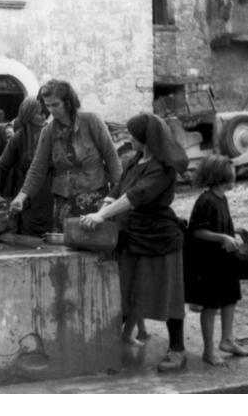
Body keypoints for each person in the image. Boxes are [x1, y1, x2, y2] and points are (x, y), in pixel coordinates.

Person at [80, 113, 189, 372]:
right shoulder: (135, 160)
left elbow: (135, 196)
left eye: (133, 135)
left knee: (169, 295)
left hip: (159, 238)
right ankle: (107, 346)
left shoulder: (163, 167)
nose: (129, 139)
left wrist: (101, 216)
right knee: (128, 292)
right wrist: (104, 204)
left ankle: (177, 350)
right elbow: (119, 190)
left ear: (146, 138)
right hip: (132, 234)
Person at [10, 80, 121, 232]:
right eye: (47, 105)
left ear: (68, 102)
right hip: (64, 201)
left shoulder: (91, 121)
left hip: (95, 198)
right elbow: (37, 168)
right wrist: (21, 197)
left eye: (55, 105)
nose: (51, 110)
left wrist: (119, 194)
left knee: (96, 246)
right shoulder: (48, 131)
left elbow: (112, 158)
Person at [185, 155, 248, 365]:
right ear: (220, 177)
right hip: (210, 263)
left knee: (230, 299)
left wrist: (235, 231)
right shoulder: (205, 200)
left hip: (225, 261)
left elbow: (218, 225)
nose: (234, 178)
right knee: (211, 305)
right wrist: (222, 237)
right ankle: (208, 350)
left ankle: (227, 340)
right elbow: (196, 232)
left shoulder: (221, 198)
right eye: (231, 176)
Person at [0, 95, 53, 235]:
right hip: (25, 200)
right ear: (28, 115)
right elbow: (0, 168)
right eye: (39, 113)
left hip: (49, 197)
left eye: (45, 113)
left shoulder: (52, 135)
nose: (43, 116)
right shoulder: (18, 138)